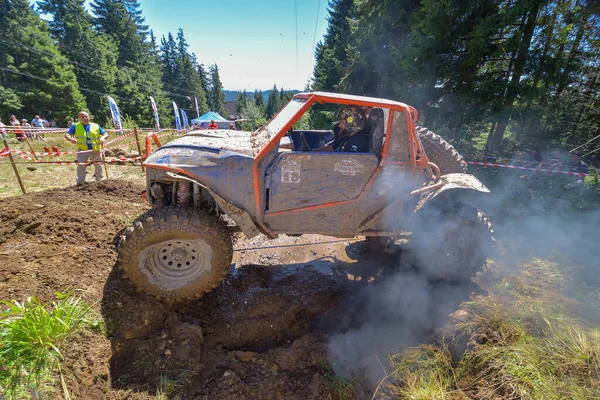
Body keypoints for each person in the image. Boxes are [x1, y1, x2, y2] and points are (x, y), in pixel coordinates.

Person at [65, 111, 109, 185]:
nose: (85, 118)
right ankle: (80, 182)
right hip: (82, 150)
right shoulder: (76, 126)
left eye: (87, 116)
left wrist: (103, 138)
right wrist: (70, 139)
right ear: (79, 118)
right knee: (81, 165)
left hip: (95, 149)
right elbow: (67, 135)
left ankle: (99, 181)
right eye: (83, 117)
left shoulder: (96, 126)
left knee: (98, 165)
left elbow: (105, 134)